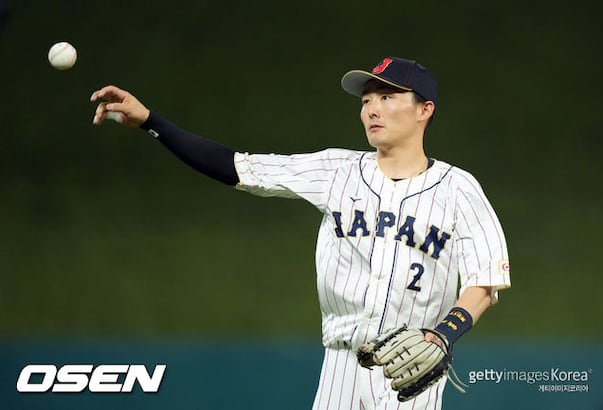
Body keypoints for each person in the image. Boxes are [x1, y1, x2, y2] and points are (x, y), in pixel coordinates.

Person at [90, 57, 511, 410]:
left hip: (412, 371)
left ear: (424, 110)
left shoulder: (458, 188)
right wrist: (150, 121)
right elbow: (236, 167)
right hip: (341, 365)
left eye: (387, 97)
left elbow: (486, 279)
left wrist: (443, 335)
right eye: (366, 100)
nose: (372, 109)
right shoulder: (336, 170)